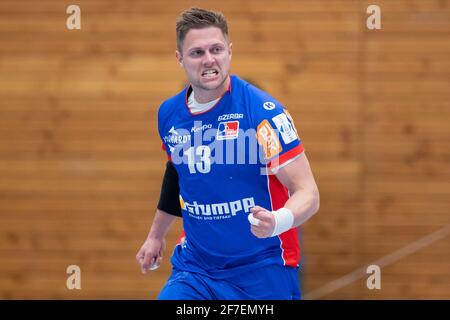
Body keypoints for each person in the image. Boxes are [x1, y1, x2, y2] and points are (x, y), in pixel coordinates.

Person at [136, 7, 320, 300]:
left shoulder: (263, 113)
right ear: (180, 58)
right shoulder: (169, 114)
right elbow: (177, 174)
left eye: (216, 49)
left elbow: (308, 193)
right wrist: (155, 236)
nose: (209, 59)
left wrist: (278, 221)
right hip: (196, 269)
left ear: (229, 52)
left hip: (262, 269)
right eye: (197, 52)